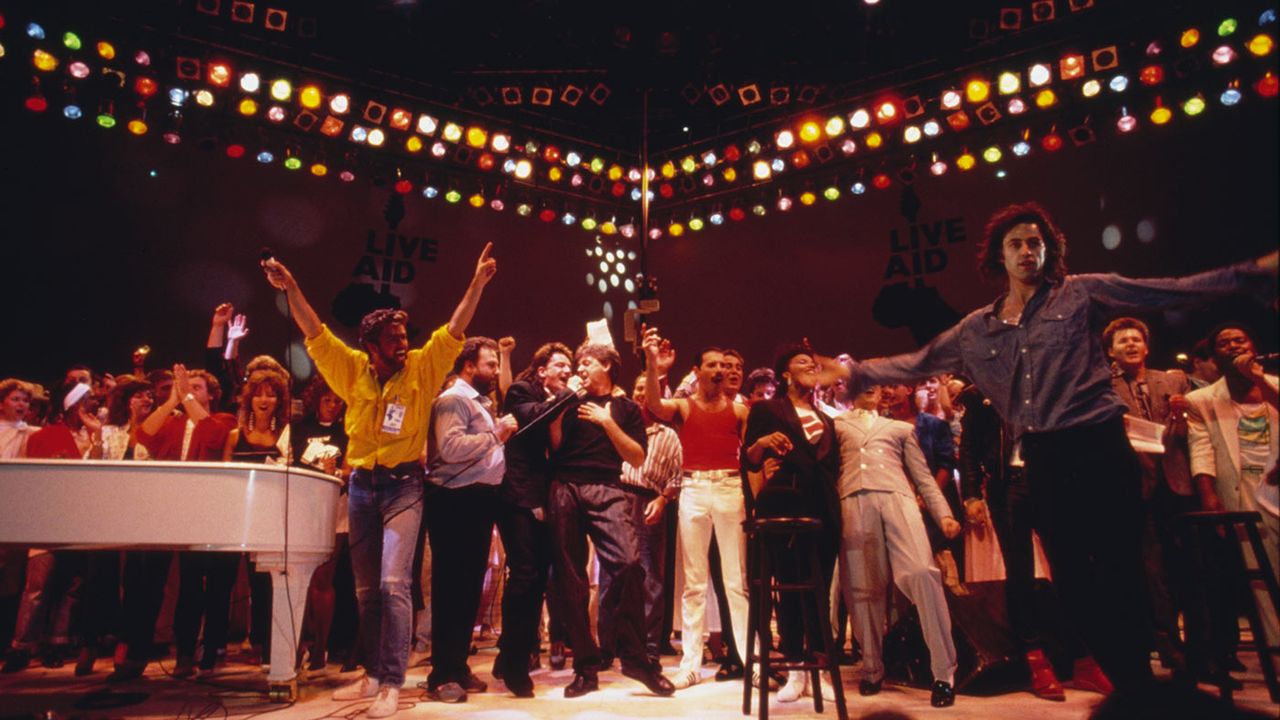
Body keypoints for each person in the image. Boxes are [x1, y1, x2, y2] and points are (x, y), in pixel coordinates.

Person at [841, 201, 1278, 690]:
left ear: (1049, 251)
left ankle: (1135, 685)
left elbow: (1165, 291)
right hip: (1045, 457)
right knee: (1070, 582)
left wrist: (1250, 275)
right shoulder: (976, 328)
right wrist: (854, 371)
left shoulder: (1082, 294)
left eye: (1035, 243)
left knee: (1122, 571)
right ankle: (1119, 671)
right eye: (1016, 244)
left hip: (1099, 446)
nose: (1027, 251)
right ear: (998, 257)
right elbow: (917, 362)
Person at [261, 243, 496, 719]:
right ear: (372, 345)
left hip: (405, 484)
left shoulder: (425, 369)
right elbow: (314, 331)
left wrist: (477, 283)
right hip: (363, 486)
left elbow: (454, 330)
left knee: (394, 583)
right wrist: (291, 287)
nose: (403, 343)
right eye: (393, 338)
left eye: (404, 334)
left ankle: (391, 680)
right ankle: (371, 673)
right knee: (366, 590)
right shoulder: (351, 370)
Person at [546, 342, 673, 699]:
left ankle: (634, 658)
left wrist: (607, 423)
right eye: (578, 363)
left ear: (607, 366)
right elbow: (554, 447)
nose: (580, 369)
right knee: (570, 580)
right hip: (565, 486)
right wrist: (558, 410)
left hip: (607, 487)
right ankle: (585, 668)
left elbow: (636, 456)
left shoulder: (626, 408)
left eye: (586, 363)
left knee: (630, 565)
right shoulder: (568, 402)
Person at [834, 384, 961, 708]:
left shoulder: (900, 429)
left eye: (876, 386)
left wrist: (942, 514)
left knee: (922, 572)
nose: (871, 389)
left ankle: (943, 673)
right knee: (863, 590)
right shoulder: (835, 424)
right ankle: (872, 668)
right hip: (852, 501)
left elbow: (923, 478)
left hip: (897, 498)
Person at [641, 329, 750, 691]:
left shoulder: (739, 410)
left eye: (723, 364)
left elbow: (750, 460)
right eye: (712, 365)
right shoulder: (685, 406)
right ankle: (690, 664)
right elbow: (655, 407)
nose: (719, 370)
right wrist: (654, 365)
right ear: (697, 370)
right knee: (694, 583)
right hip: (693, 489)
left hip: (730, 487)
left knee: (736, 582)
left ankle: (753, 661)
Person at [741, 342, 842, 701]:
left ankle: (821, 670)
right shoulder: (769, 409)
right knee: (789, 586)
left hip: (824, 510)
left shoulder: (828, 419)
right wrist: (764, 442)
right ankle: (795, 670)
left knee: (820, 589)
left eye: (815, 363)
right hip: (785, 503)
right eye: (803, 362)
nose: (812, 367)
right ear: (785, 373)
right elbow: (750, 458)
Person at [422, 337, 518, 703]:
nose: (494, 372)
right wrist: (497, 432)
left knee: (467, 590)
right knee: (451, 589)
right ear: (467, 366)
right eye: (490, 365)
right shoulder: (452, 401)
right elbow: (450, 448)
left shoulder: (478, 402)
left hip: (477, 500)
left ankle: (457, 666)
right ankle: (442, 673)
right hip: (454, 500)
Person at [1186, 323, 1279, 681]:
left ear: (1253, 345)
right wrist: (1209, 495)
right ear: (1215, 356)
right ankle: (1276, 663)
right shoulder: (1202, 400)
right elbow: (1201, 448)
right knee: (1262, 584)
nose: (1232, 346)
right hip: (1243, 495)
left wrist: (1259, 379)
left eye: (1239, 339)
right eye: (1222, 343)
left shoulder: (1274, 385)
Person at [1104, 316, 1196, 672]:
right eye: (1122, 341)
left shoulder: (1173, 380)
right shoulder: (1104, 388)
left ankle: (1204, 649)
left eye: (1136, 339)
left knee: (1189, 568)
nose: (1130, 345)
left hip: (1177, 480)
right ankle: (1168, 645)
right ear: (1111, 351)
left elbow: (1194, 429)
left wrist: (1183, 416)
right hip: (1134, 486)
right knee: (1152, 572)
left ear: (1147, 346)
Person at [492, 342, 575, 695]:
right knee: (525, 574)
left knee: (538, 577)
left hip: (543, 493)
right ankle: (514, 664)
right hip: (515, 490)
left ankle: (509, 653)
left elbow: (556, 444)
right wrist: (565, 398)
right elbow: (530, 416)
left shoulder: (562, 401)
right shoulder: (521, 390)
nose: (567, 371)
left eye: (570, 366)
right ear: (542, 371)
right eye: (560, 365)